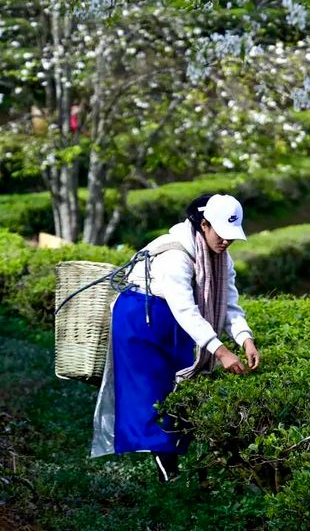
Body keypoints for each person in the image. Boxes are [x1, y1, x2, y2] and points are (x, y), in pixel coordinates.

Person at [91, 193, 260, 482]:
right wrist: (221, 351)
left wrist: (245, 338)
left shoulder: (220, 257)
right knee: (151, 389)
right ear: (204, 225)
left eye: (232, 236)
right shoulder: (175, 257)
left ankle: (175, 459)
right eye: (222, 234)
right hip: (142, 316)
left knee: (180, 384)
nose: (226, 241)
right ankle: (166, 467)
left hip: (172, 318)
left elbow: (229, 302)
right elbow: (185, 309)